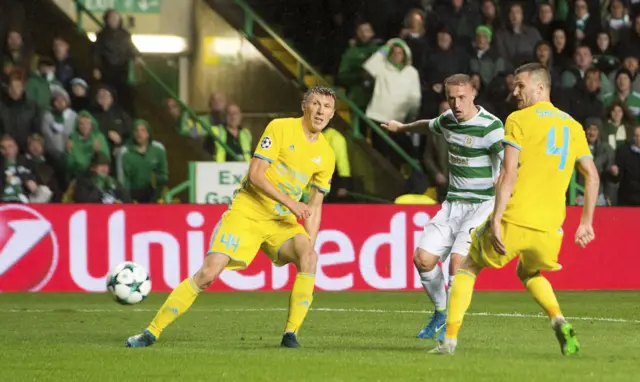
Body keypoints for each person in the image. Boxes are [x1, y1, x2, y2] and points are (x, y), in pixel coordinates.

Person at [125, 86, 337, 349]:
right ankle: (150, 332)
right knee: (208, 274)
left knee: (310, 257)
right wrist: (292, 203)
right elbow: (257, 175)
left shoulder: (327, 154)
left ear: (332, 114)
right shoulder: (280, 128)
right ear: (304, 106)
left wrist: (308, 242)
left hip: (280, 222)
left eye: (326, 107)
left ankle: (290, 335)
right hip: (248, 210)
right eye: (316, 104)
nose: (320, 111)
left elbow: (315, 206)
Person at [430, 63, 600, 356]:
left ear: (541, 87)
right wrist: (586, 223)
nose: (515, 90)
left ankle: (449, 341)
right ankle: (557, 318)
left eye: (521, 85)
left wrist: (495, 218)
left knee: (468, 266)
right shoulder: (573, 126)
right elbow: (592, 176)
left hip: (516, 217)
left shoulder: (518, 120)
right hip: (550, 228)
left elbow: (507, 174)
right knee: (529, 271)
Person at [381, 74, 504, 342]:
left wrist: (504, 185)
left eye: (461, 98)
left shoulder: (491, 127)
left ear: (473, 94)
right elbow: (428, 125)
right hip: (452, 204)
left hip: (481, 205)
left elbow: (512, 163)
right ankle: (440, 312)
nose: (456, 104)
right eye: (451, 99)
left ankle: (450, 329)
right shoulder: (448, 120)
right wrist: (401, 128)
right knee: (422, 259)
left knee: (456, 263)